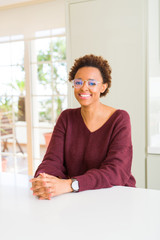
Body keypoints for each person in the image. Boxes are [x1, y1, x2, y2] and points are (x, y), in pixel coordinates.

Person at [30, 54, 136, 200]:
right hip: (77, 198)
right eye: (78, 82)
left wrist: (70, 184)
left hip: (114, 197)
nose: (84, 88)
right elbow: (52, 160)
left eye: (92, 83)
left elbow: (116, 172)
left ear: (103, 87)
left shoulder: (120, 119)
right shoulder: (66, 118)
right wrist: (44, 179)